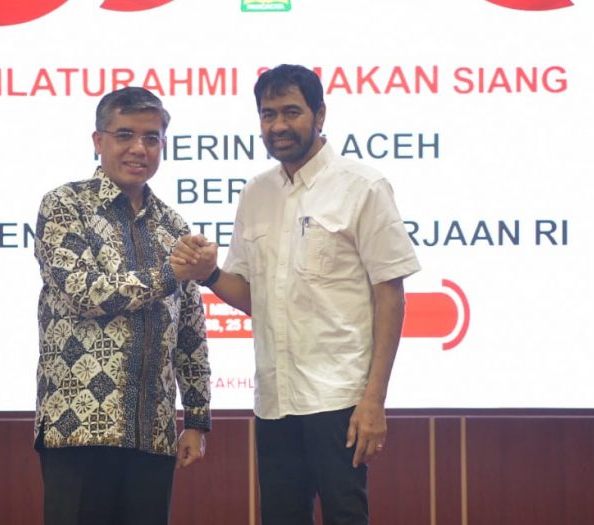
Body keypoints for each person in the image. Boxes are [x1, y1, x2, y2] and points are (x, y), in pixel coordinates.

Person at [171, 64, 420, 525]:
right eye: (268, 114)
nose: (278, 125)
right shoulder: (256, 192)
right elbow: (253, 296)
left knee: (346, 517)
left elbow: (391, 296)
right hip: (275, 401)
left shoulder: (363, 186)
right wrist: (209, 274)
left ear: (320, 115)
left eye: (291, 112)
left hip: (340, 399)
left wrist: (374, 400)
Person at [33, 86, 212, 525]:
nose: (139, 148)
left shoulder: (173, 225)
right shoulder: (65, 205)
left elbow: (190, 329)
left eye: (151, 138)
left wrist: (197, 418)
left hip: (153, 433)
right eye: (125, 135)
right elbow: (83, 291)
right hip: (78, 428)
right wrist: (169, 273)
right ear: (99, 141)